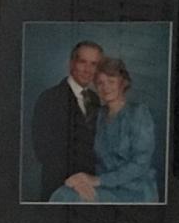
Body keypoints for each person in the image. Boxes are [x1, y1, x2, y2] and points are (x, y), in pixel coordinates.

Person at [50, 57, 163, 205]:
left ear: (123, 83)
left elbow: (140, 164)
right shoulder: (98, 115)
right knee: (64, 193)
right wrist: (79, 180)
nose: (105, 87)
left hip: (135, 190)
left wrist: (97, 181)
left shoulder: (138, 113)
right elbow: (87, 156)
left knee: (70, 198)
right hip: (104, 187)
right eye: (100, 83)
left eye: (111, 81)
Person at [29, 39, 105, 203]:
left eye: (94, 64)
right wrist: (75, 180)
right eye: (83, 62)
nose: (88, 70)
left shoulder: (94, 99)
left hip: (90, 187)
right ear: (71, 64)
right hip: (60, 187)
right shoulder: (50, 98)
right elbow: (43, 150)